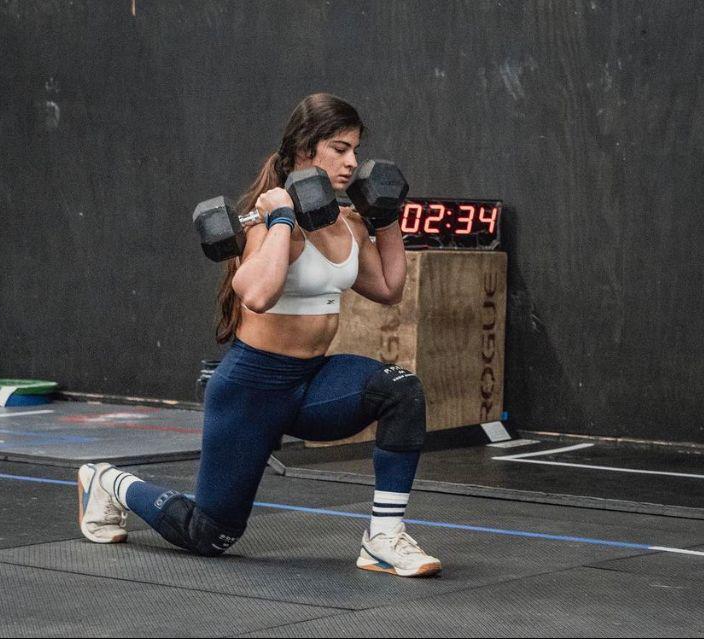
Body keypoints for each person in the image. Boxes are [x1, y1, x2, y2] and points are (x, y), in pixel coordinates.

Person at [77, 93, 440, 577]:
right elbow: (257, 294)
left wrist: (387, 217)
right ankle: (108, 482)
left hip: (312, 383)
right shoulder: (265, 221)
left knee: (400, 390)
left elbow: (389, 289)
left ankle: (383, 538)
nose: (353, 162)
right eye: (339, 149)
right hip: (252, 389)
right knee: (211, 534)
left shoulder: (347, 223)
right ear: (305, 150)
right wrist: (282, 218)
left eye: (355, 150)